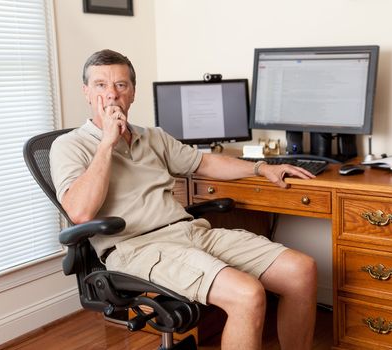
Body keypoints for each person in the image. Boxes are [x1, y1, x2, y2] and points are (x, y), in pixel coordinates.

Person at [50, 49, 317, 350]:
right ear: (86, 92)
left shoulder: (153, 137)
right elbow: (80, 212)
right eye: (101, 85)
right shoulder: (69, 146)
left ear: (133, 92)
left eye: (121, 85)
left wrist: (262, 168)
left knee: (301, 270)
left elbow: (204, 164)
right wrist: (107, 144)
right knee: (248, 294)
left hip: (189, 232)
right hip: (136, 248)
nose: (111, 94)